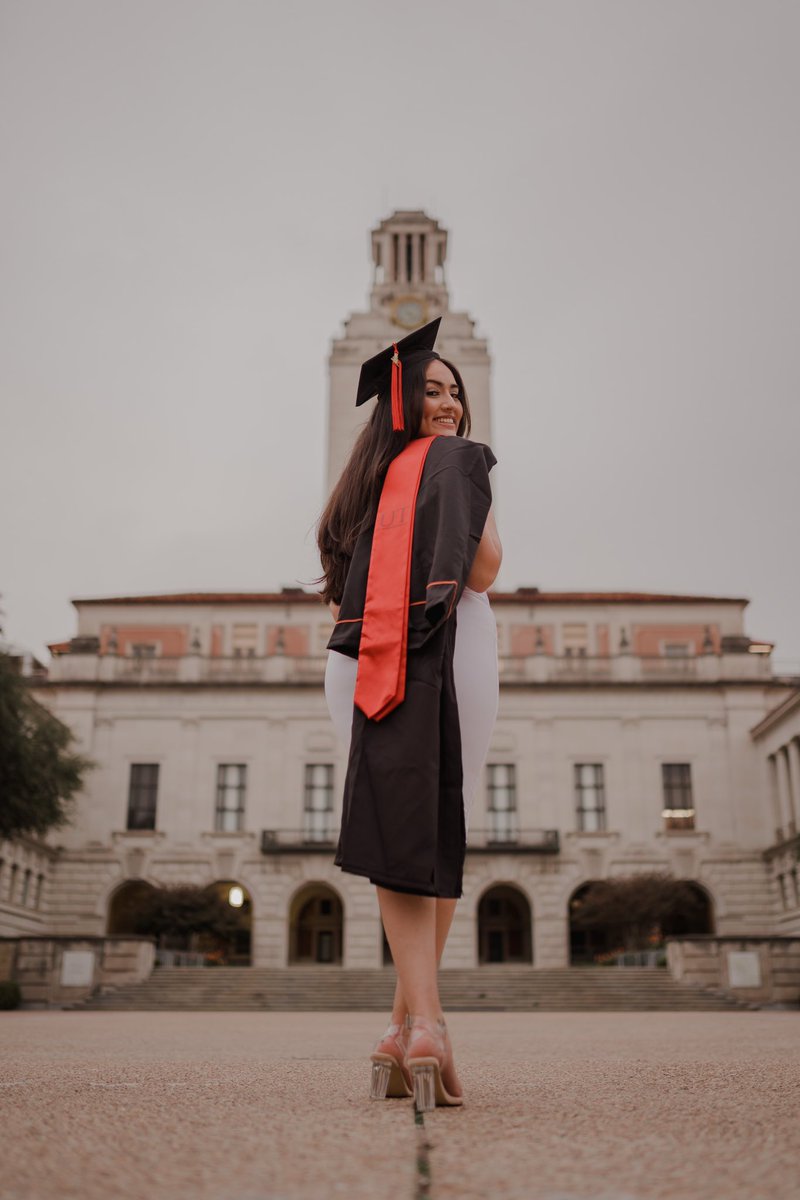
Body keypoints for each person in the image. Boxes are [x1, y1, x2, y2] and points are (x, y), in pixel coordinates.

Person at [316, 317, 502, 1111]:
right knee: (434, 826)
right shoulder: (458, 464)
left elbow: (334, 580)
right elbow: (485, 570)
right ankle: (425, 1024)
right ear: (398, 399)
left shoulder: (358, 487)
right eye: (431, 390)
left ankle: (405, 1029)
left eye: (456, 393)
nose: (451, 405)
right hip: (449, 644)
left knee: (402, 825)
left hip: (358, 658)